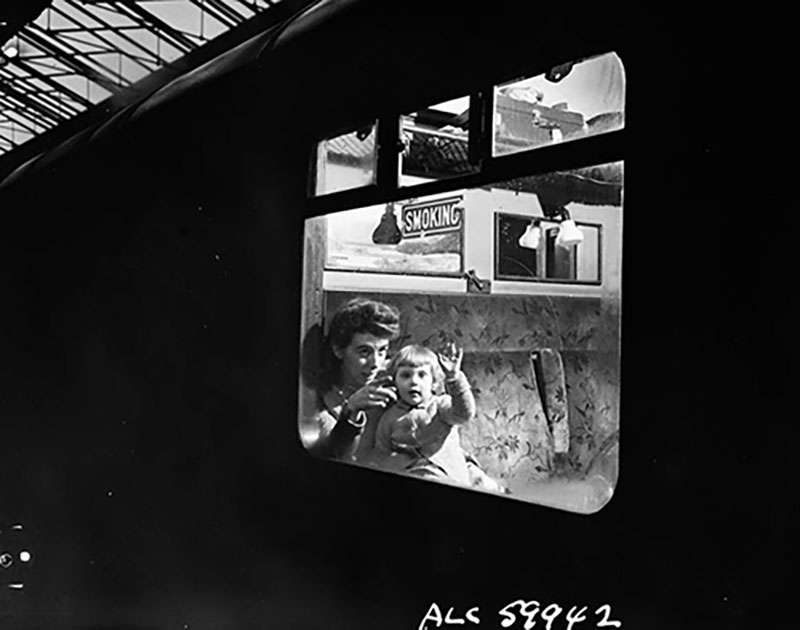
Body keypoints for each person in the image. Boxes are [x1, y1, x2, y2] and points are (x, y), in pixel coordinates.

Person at [300, 298, 401, 462]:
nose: (375, 363)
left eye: (382, 351)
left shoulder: (396, 384)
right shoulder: (317, 400)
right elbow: (329, 454)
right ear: (338, 350)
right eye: (364, 352)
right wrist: (351, 412)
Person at [373, 343, 476, 486]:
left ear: (434, 383)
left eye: (422, 375)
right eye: (405, 375)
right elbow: (381, 455)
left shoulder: (440, 405)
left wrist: (454, 379)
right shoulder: (389, 418)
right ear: (395, 382)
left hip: (448, 479)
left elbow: (464, 414)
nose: (414, 382)